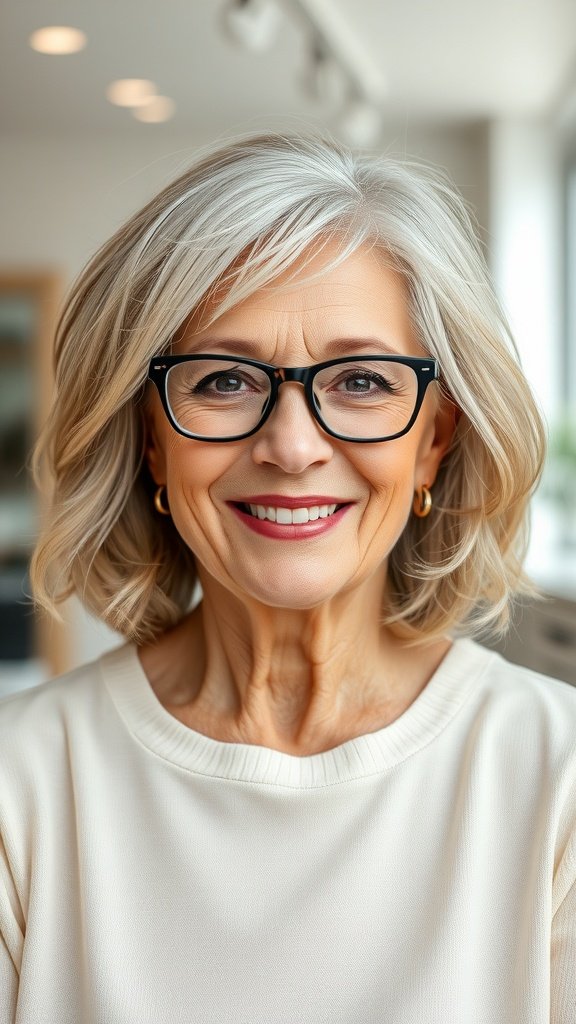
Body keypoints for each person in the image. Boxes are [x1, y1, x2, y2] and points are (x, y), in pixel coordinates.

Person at [0, 130, 574, 1024]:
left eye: (361, 381)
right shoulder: (19, 783)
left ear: (436, 440)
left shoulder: (558, 778)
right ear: (150, 435)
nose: (293, 447)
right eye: (224, 381)